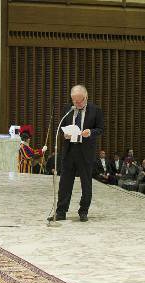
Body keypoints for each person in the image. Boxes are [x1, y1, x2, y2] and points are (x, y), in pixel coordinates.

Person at [48, 85, 104, 222]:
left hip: (85, 152)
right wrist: (65, 133)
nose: (77, 104)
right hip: (69, 150)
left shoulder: (96, 110)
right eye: (74, 101)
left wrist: (90, 132)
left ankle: (83, 211)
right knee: (65, 183)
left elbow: (100, 129)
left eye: (79, 101)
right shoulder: (68, 109)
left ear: (86, 97)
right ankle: (61, 211)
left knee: (86, 183)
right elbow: (62, 126)